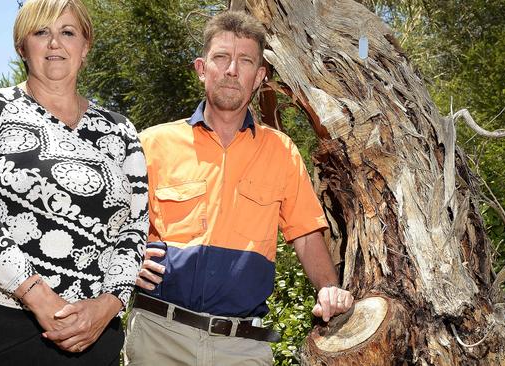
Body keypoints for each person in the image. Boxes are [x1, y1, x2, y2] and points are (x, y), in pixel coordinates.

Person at [124, 11, 353, 366]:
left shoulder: (281, 152)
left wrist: (328, 288)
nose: (232, 70)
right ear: (202, 69)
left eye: (245, 61)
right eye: (221, 58)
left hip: (242, 345)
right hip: (159, 334)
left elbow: (306, 235)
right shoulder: (152, 144)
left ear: (259, 76)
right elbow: (111, 224)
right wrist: (124, 261)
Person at [0, 0, 148, 364]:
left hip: (91, 334)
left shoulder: (120, 130)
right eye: (41, 33)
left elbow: (135, 229)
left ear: (85, 48)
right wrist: (40, 298)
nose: (55, 43)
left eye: (67, 32)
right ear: (22, 47)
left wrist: (108, 304)